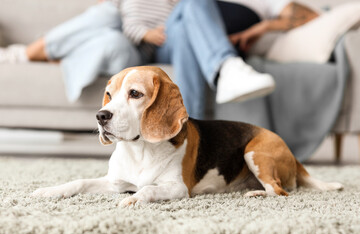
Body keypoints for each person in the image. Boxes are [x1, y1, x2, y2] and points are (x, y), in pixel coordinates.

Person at [121, 0, 319, 119]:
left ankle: (188, 129)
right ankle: (227, 67)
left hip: (186, 41)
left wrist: (264, 27)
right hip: (166, 41)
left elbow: (313, 17)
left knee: (183, 32)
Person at [0, 0, 141, 102]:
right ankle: (29, 53)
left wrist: (144, 33)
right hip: (115, 30)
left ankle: (39, 54)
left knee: (114, 41)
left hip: (139, 49)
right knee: (107, 13)